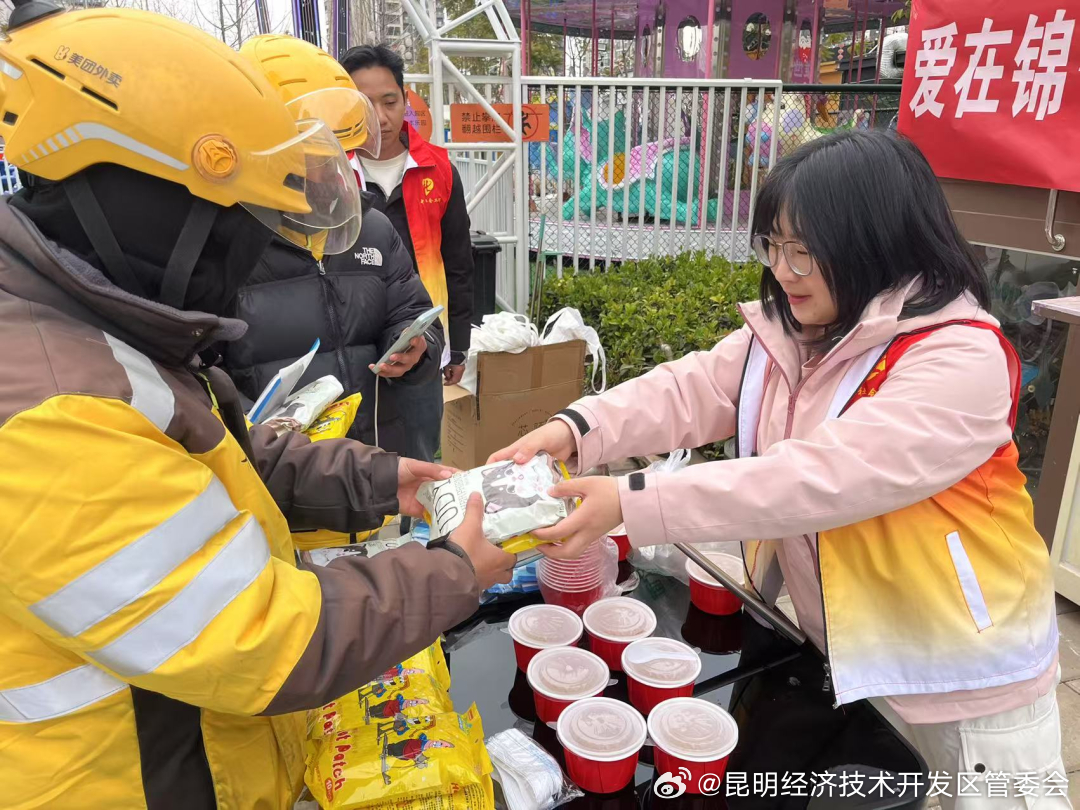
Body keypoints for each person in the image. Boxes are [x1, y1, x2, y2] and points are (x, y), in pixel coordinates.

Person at [0, 3, 512, 808]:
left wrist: (383, 480)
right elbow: (264, 640)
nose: (248, 257)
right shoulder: (51, 412)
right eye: (237, 228)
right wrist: (452, 572)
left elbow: (227, 455)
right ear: (158, 210)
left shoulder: (96, 328)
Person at [492, 130, 1067, 805]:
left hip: (966, 677)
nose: (785, 269)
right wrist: (577, 428)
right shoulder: (800, 328)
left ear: (878, 242)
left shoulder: (957, 359)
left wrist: (632, 499)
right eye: (775, 245)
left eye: (806, 249)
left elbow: (820, 478)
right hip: (848, 655)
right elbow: (695, 387)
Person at [227, 34, 442, 464]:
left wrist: (416, 349)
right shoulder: (225, 247)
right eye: (308, 153)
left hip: (377, 454)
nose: (327, 168)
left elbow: (409, 310)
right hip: (281, 471)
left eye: (336, 150)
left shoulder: (372, 228)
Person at [342, 43, 474, 465]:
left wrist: (459, 347)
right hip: (350, 343)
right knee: (357, 463)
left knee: (421, 458)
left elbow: (458, 263)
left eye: (389, 101)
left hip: (422, 341)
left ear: (405, 100)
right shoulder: (329, 171)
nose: (379, 118)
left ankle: (420, 529)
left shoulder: (439, 169)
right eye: (364, 104)